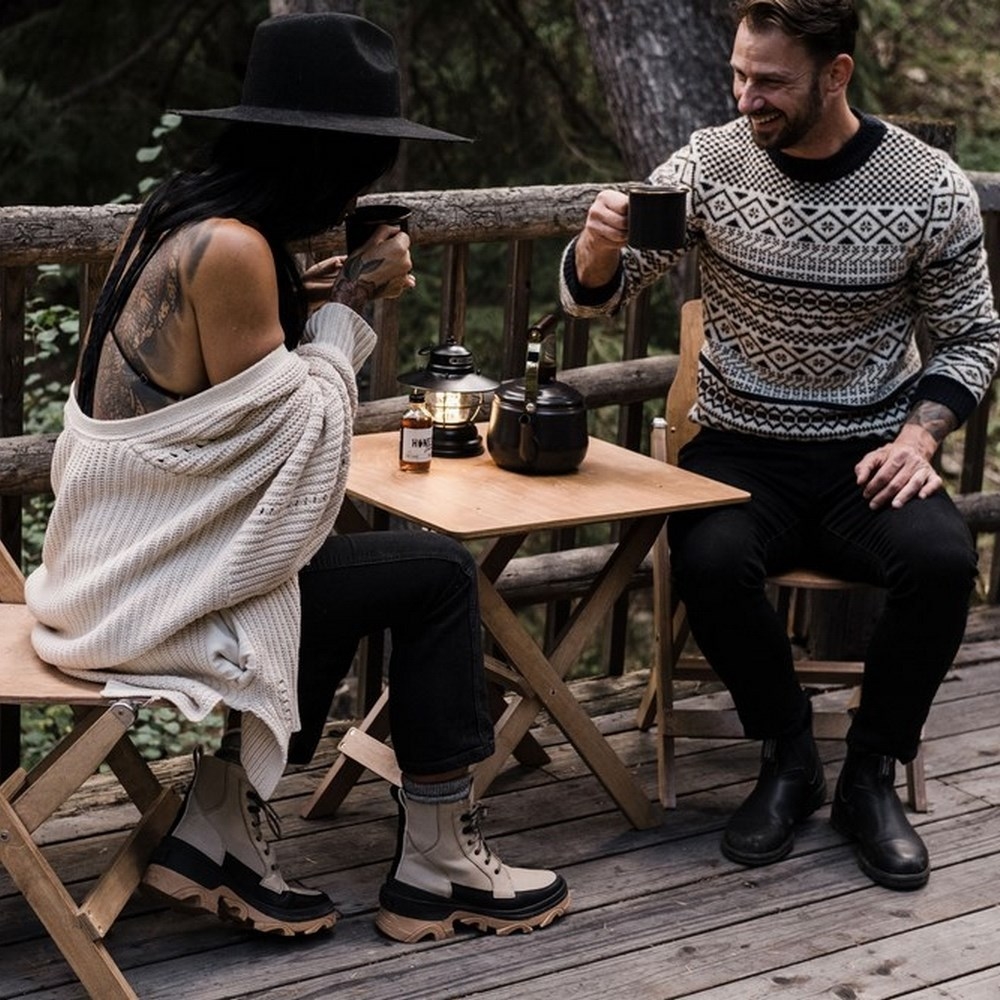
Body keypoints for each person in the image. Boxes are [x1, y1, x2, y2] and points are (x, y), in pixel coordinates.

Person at [24, 13, 569, 941]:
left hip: (104, 570)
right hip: (144, 596)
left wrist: (308, 294)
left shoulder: (178, 219)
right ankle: (437, 858)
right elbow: (298, 462)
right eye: (360, 168)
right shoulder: (235, 250)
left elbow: (219, 393)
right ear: (318, 158)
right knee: (435, 575)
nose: (360, 190)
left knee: (314, 576)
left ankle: (219, 822)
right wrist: (354, 299)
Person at [561, 0, 1000, 891]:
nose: (745, 97)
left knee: (944, 563)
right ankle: (791, 754)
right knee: (709, 558)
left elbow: (971, 337)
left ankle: (869, 776)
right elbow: (599, 295)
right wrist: (598, 247)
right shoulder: (711, 162)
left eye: (769, 81)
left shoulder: (930, 185)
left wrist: (920, 435)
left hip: (868, 452)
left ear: (836, 75)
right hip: (739, 445)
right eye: (738, 74)